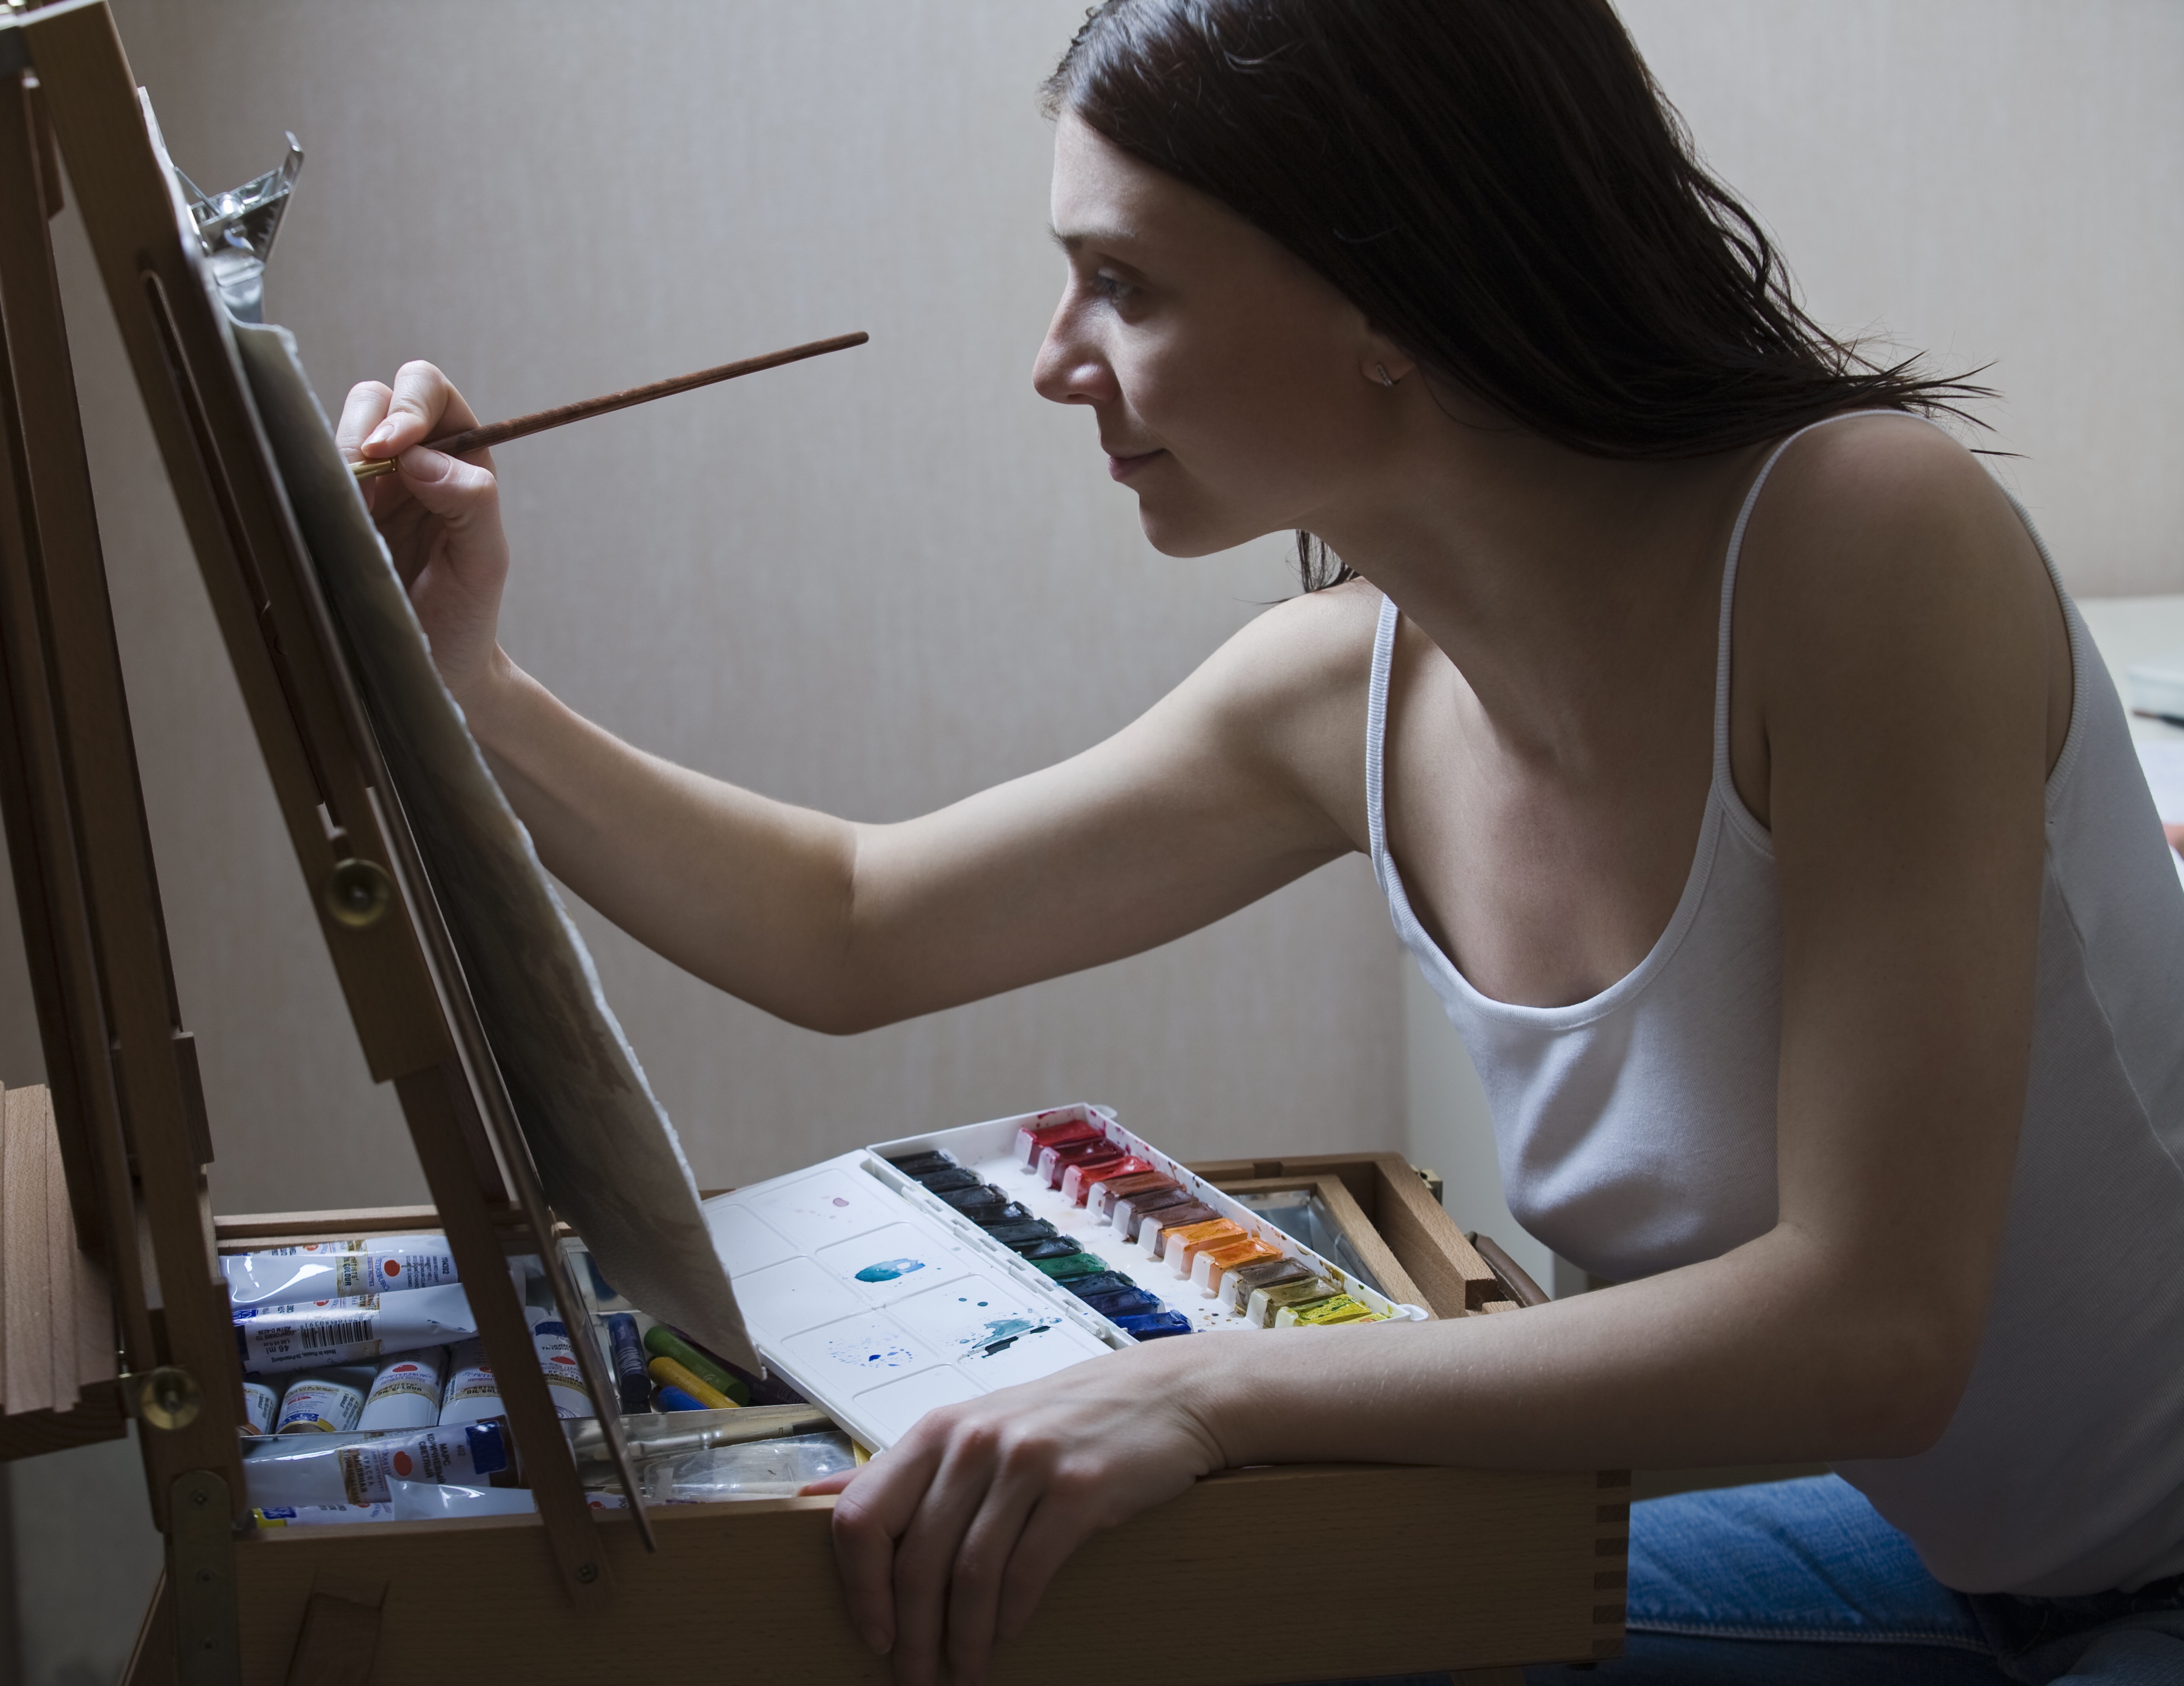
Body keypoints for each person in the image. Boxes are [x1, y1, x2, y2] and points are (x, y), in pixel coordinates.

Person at [336, 2, 2184, 1679]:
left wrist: (1212, 1393)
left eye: (1121, 284)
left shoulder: (1861, 540)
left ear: (1383, 291)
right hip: (1942, 1559)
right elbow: (850, 923)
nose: (1054, 362)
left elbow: (1878, 1325)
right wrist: (468, 684)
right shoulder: (1343, 694)